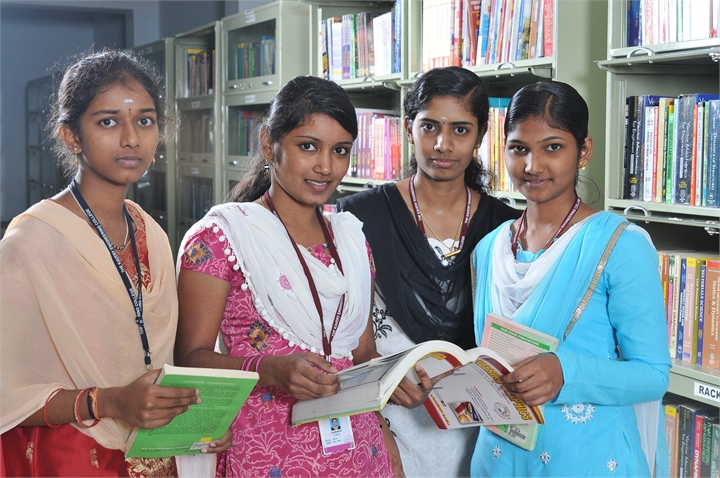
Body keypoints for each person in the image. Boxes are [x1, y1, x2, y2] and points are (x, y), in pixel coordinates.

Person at [0, 49, 230, 477]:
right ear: (72, 136)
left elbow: (161, 365)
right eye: (108, 122)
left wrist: (200, 422)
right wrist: (108, 401)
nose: (131, 138)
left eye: (145, 121)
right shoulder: (31, 243)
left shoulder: (152, 234)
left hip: (156, 453)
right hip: (72, 456)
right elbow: (7, 393)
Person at [174, 75, 395, 477]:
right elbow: (189, 360)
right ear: (268, 144)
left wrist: (401, 375)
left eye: (340, 150)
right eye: (308, 146)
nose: (325, 167)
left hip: (360, 451)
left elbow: (362, 353)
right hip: (266, 454)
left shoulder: (350, 239)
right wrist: (268, 369)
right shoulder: (221, 238)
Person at [470, 81, 670, 477]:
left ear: (584, 151)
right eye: (518, 148)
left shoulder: (620, 244)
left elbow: (653, 375)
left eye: (553, 147)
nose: (533, 166)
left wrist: (566, 372)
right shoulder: (489, 249)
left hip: (587, 460)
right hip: (496, 458)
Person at [338, 66, 520, 477]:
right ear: (409, 128)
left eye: (460, 130)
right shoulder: (360, 216)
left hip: (479, 422)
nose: (443, 144)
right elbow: (343, 335)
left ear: (480, 135)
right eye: (430, 126)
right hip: (387, 413)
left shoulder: (506, 226)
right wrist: (382, 381)